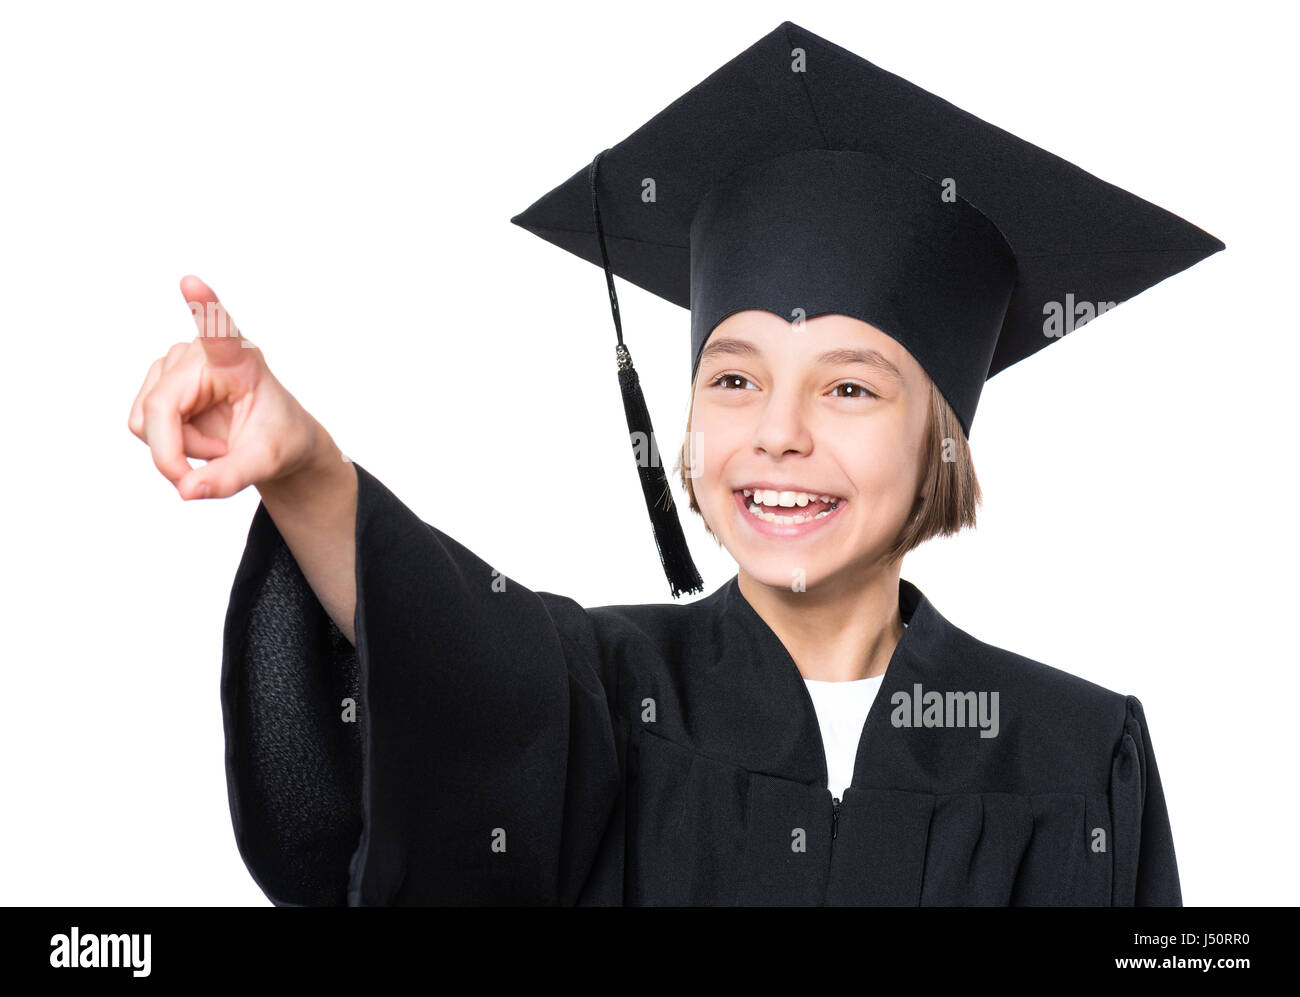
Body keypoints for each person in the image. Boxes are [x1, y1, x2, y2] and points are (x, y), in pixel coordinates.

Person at [128, 22, 1222, 905]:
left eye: (848, 386)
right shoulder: (598, 695)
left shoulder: (1078, 751)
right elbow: (452, 658)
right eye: (734, 378)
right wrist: (309, 468)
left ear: (942, 435)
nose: (777, 432)